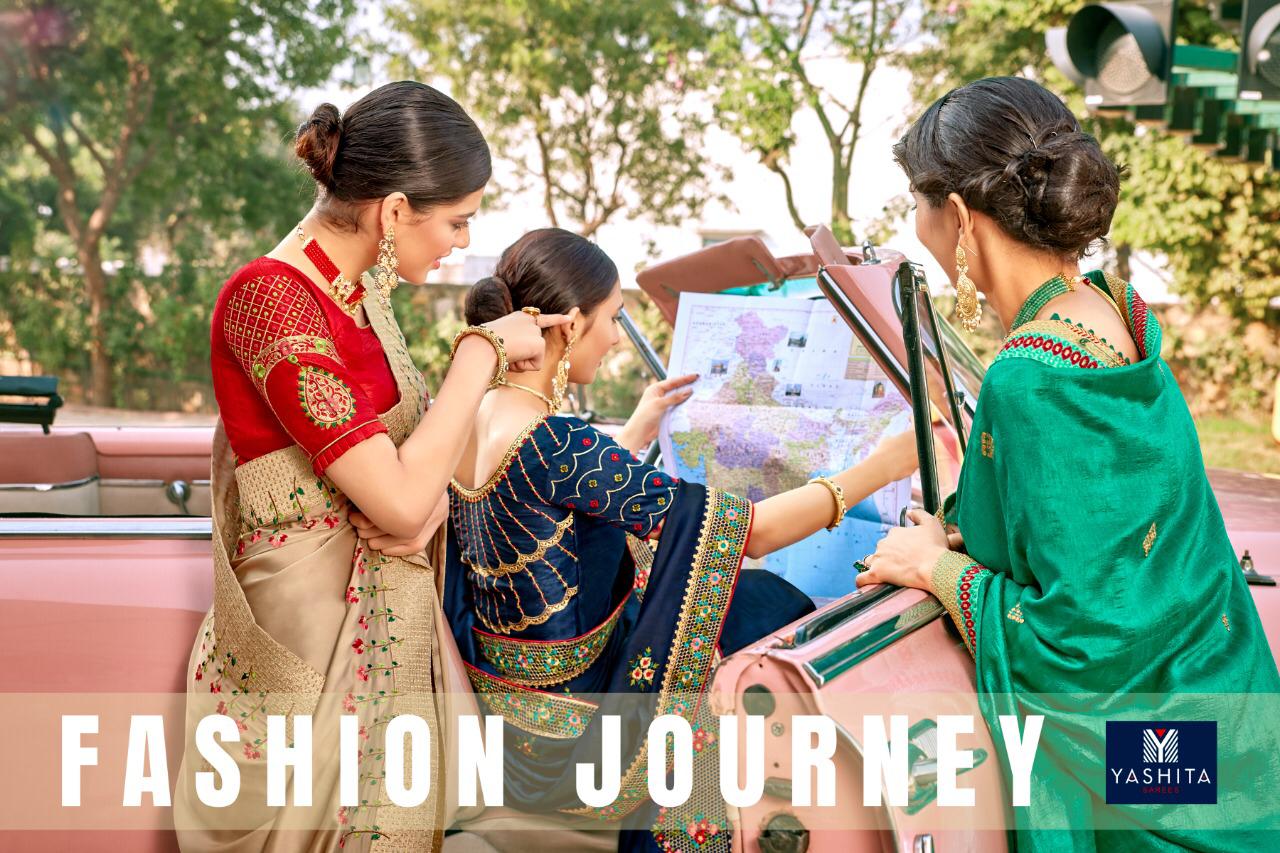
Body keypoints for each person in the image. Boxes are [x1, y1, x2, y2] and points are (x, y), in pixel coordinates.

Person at [375, 227, 916, 851]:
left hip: (506, 721)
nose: (614, 338)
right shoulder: (557, 443)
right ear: (569, 325)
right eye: (612, 318)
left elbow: (546, 501)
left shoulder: (468, 417)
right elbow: (755, 532)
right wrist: (882, 467)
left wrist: (635, 429)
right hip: (577, 743)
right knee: (767, 600)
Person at [857, 76, 1280, 850]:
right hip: (1231, 729)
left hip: (1156, 787)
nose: (916, 225)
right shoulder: (1116, 309)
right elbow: (1107, 528)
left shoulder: (1029, 375)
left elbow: (1079, 644)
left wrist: (936, 567)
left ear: (959, 216)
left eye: (917, 202)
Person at [174, 82, 571, 853]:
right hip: (310, 641)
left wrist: (426, 505)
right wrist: (481, 351)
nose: (462, 240)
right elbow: (395, 496)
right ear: (393, 211)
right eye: (456, 219)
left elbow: (415, 475)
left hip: (388, 624)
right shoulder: (269, 299)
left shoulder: (362, 299)